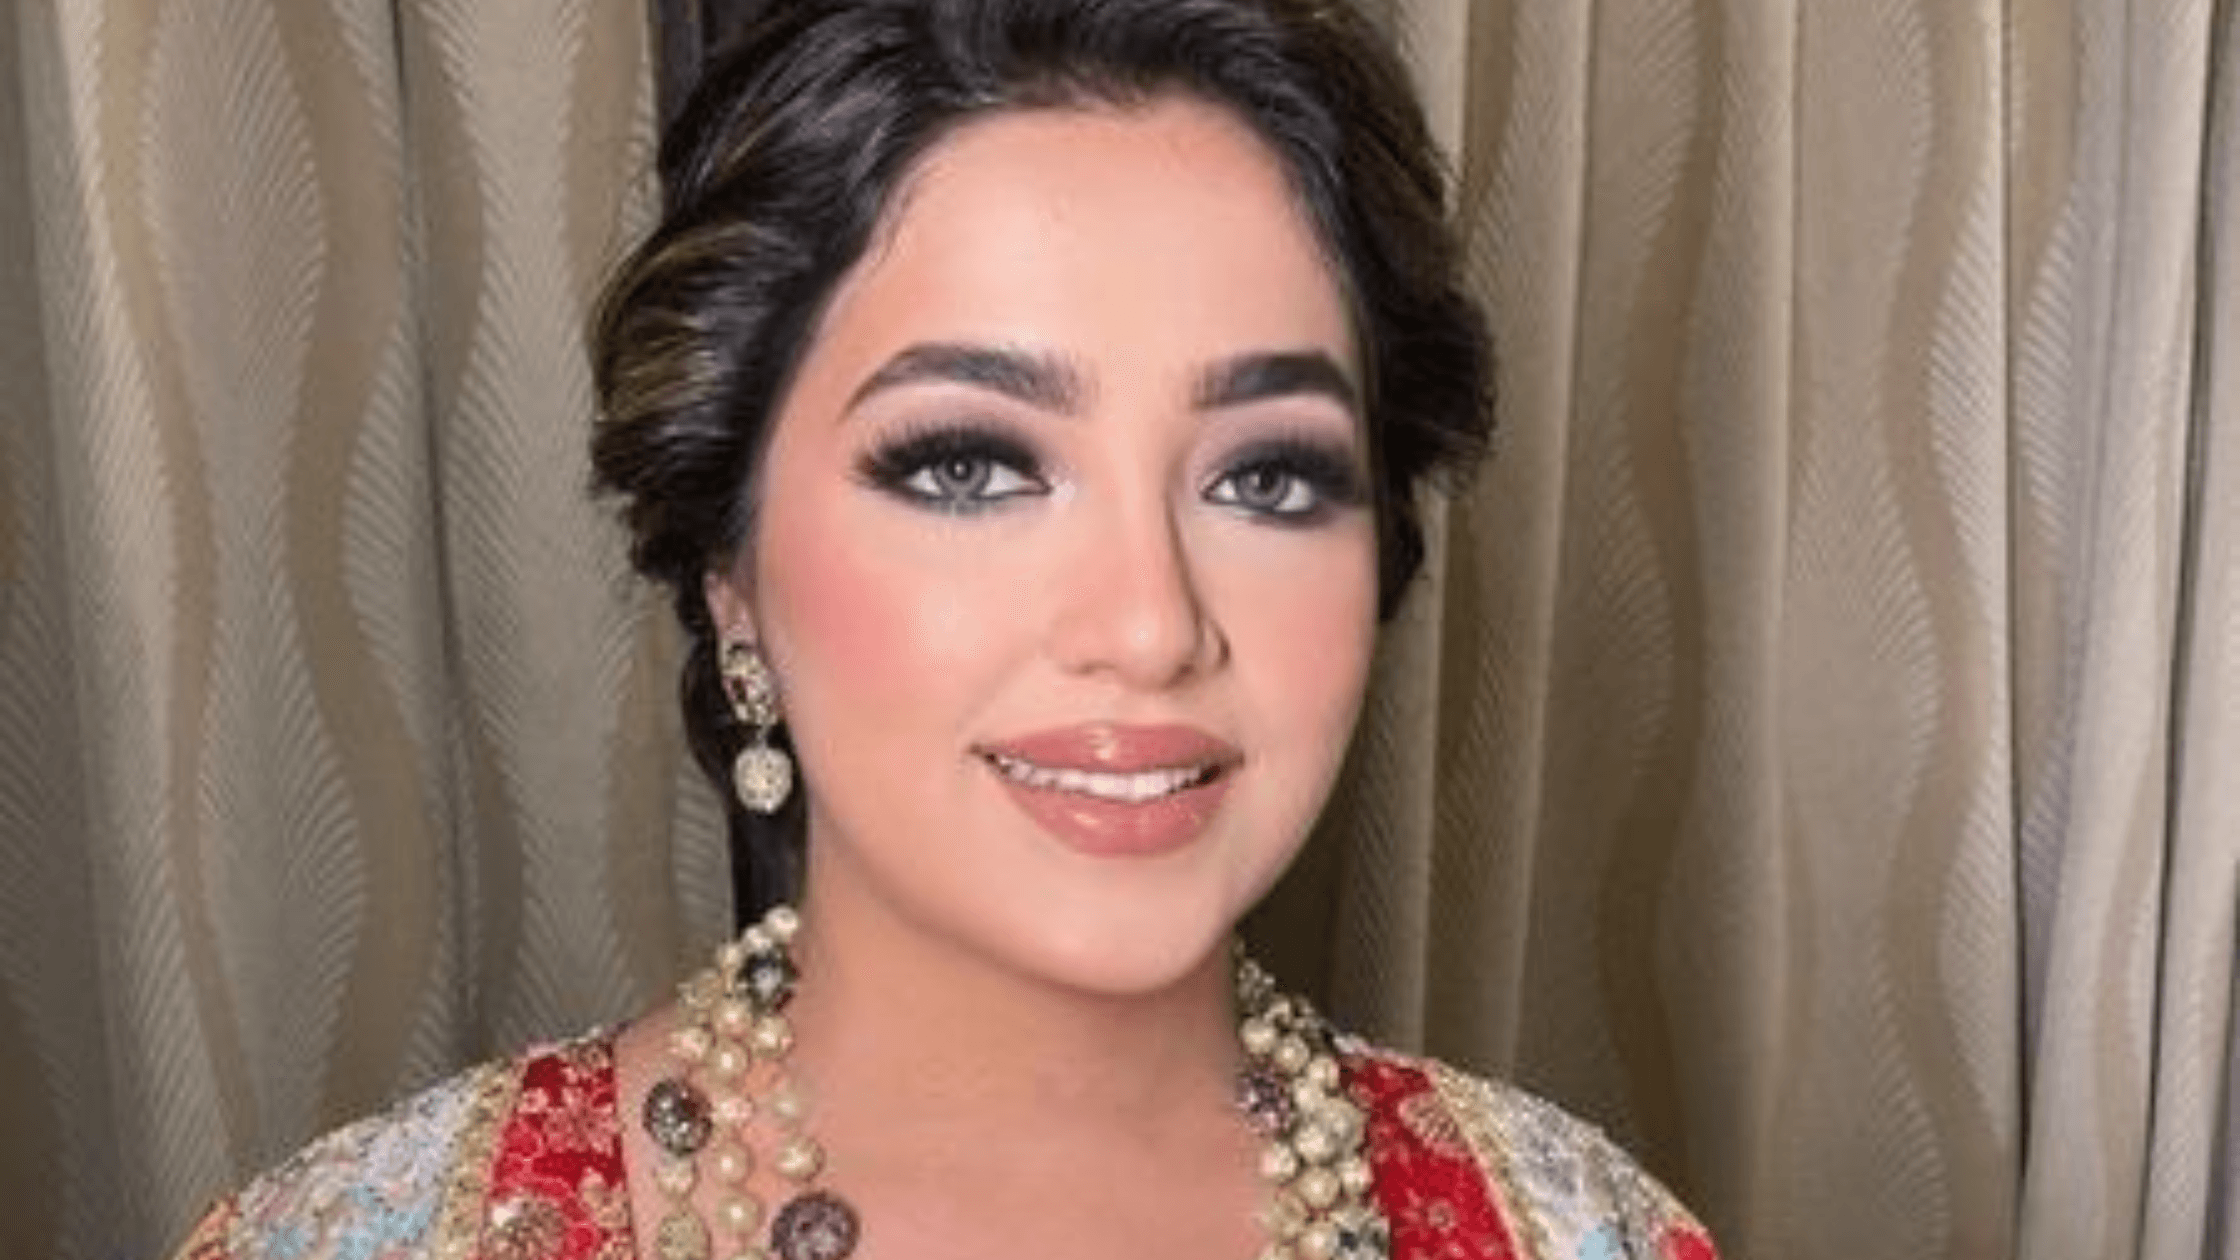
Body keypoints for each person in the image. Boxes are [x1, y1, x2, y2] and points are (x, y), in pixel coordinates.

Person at [171, 2, 1718, 1258]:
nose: (1150, 624)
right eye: (969, 466)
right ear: (728, 566)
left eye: (1264, 477)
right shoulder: (354, 1240)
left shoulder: (1582, 1232)